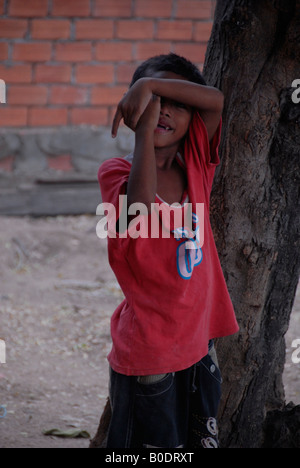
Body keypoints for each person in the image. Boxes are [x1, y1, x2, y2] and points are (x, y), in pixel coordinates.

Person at [98, 53, 239, 448]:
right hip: (149, 352)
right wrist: (144, 129)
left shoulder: (195, 163)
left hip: (199, 344)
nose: (163, 111)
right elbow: (139, 211)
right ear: (130, 108)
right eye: (155, 103)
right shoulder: (115, 173)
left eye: (176, 104)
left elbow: (214, 100)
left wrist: (150, 87)